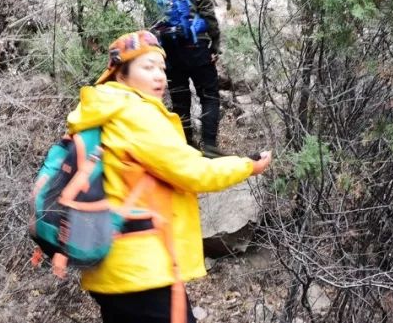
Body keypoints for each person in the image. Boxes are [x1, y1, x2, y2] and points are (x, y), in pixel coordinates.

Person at [66, 30, 272, 323]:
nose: (159, 76)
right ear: (120, 74)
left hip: (107, 263)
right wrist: (247, 166)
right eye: (147, 67)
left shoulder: (102, 110)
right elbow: (194, 172)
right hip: (140, 268)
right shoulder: (137, 115)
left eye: (162, 68)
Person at [150, 0, 224, 157]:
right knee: (209, 94)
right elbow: (207, 10)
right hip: (196, 46)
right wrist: (215, 42)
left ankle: (187, 148)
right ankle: (209, 145)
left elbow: (150, 22)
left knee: (180, 99)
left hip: (169, 51)